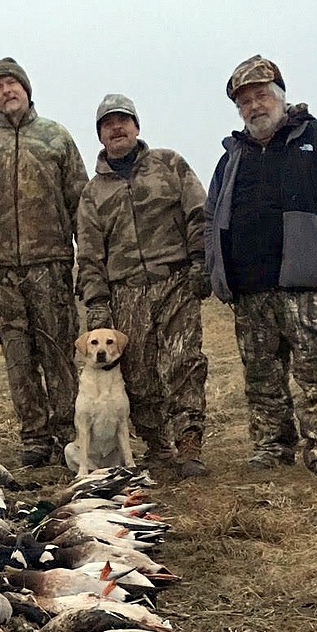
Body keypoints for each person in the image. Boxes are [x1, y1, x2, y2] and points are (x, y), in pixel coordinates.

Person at [204, 55, 317, 480]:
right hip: (251, 288)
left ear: (280, 96)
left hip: (308, 286)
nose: (254, 106)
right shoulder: (232, 158)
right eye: (244, 102)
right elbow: (210, 216)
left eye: (260, 96)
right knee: (262, 378)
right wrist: (219, 266)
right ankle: (271, 448)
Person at [0, 57, 88, 469]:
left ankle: (70, 435)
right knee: (18, 358)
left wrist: (85, 261)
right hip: (0, 273)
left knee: (59, 355)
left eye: (13, 84)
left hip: (50, 265)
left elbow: (80, 204)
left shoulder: (57, 138)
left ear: (27, 89)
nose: (7, 91)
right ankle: (34, 437)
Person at [75, 95, 211, 477]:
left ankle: (189, 445)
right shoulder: (93, 193)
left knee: (183, 362)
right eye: (108, 124)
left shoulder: (169, 165)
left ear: (137, 126)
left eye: (123, 121)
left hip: (175, 281)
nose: (117, 128)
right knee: (138, 373)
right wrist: (97, 304)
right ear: (100, 135)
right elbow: (89, 253)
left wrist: (201, 263)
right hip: (126, 290)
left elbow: (198, 213)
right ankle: (156, 445)